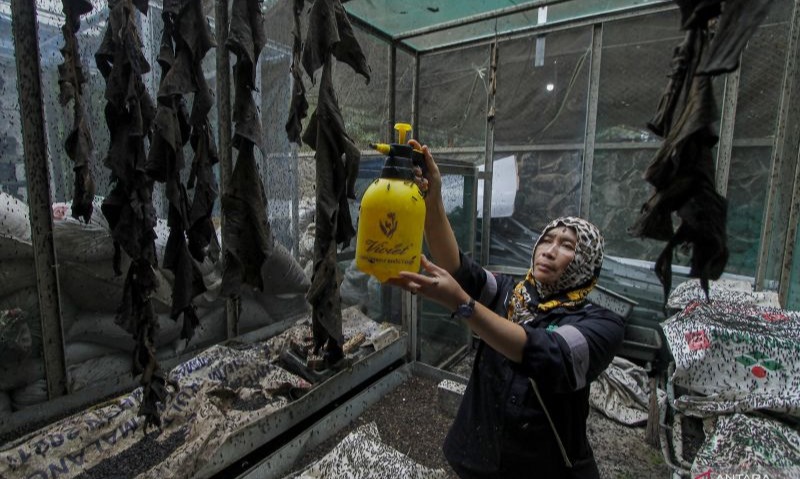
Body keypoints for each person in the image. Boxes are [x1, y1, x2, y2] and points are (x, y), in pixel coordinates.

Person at [389, 139, 626, 478]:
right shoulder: (512, 292)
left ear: (587, 261)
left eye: (567, 245)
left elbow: (550, 353)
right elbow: (459, 269)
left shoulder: (602, 324)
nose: (549, 250)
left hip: (539, 467)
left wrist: (463, 305)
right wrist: (433, 200)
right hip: (479, 457)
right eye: (547, 239)